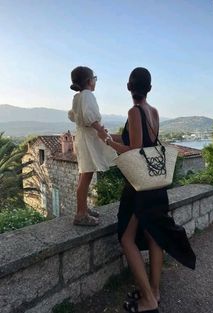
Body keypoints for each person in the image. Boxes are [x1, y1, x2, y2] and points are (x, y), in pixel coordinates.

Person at [98, 67, 196, 313]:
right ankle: (155, 291)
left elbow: (136, 148)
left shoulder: (134, 111)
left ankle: (148, 302)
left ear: (128, 87)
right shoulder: (153, 111)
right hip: (156, 185)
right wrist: (111, 136)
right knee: (154, 236)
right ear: (149, 88)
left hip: (139, 188)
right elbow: (143, 143)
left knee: (127, 238)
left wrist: (107, 142)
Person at [68, 66, 116, 226]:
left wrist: (96, 127)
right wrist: (100, 130)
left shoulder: (78, 97)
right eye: (95, 79)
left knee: (84, 175)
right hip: (88, 139)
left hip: (82, 137)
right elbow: (89, 116)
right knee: (86, 176)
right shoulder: (88, 95)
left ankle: (83, 208)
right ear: (90, 81)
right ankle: (81, 214)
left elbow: (74, 116)